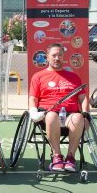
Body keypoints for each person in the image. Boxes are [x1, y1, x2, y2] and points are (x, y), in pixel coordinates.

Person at [28, 43, 89, 172]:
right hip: (48, 115)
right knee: (51, 116)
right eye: (54, 55)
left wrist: (86, 115)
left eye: (60, 55)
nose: (57, 58)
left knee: (78, 118)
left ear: (63, 57)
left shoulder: (73, 77)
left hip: (70, 115)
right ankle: (57, 156)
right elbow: (33, 98)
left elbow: (83, 98)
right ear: (47, 57)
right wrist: (33, 111)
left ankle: (71, 157)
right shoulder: (38, 76)